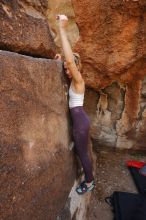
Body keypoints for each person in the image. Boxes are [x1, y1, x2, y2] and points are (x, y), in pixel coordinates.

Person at [56, 14, 95, 195]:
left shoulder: (79, 80)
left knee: (82, 153)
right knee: (83, 151)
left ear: (77, 67)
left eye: (69, 67)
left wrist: (62, 29)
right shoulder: (73, 79)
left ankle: (89, 182)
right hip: (80, 120)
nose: (67, 69)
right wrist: (59, 60)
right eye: (65, 67)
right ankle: (89, 177)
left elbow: (71, 62)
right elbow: (67, 63)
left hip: (80, 123)